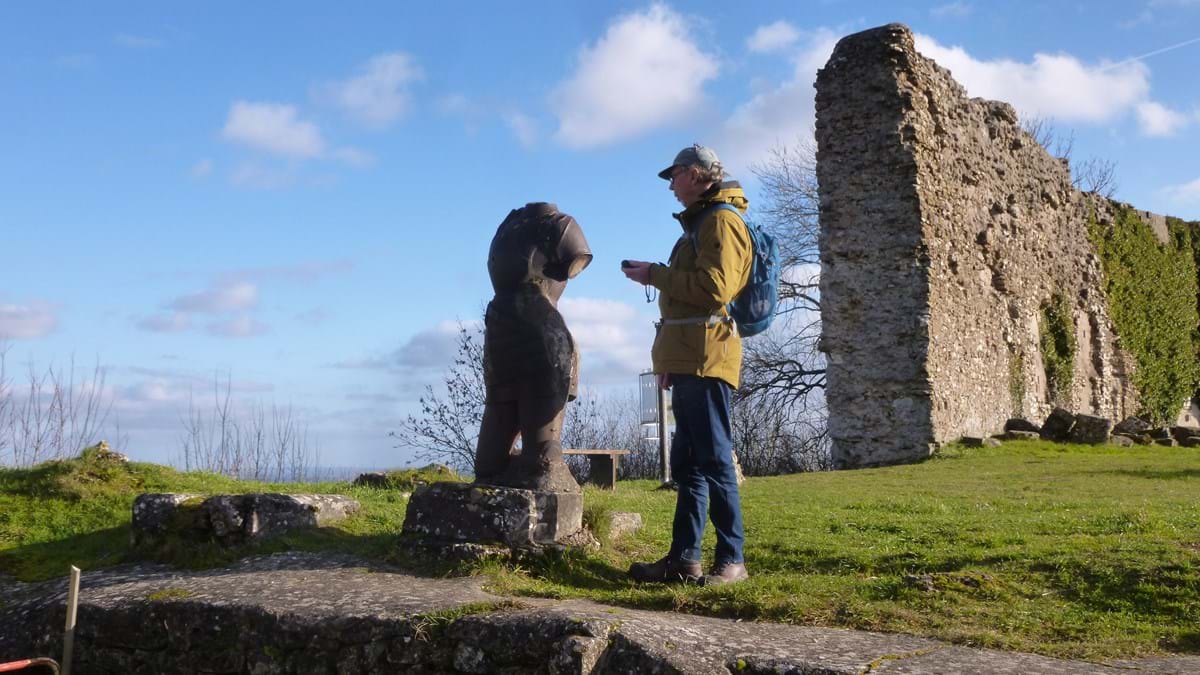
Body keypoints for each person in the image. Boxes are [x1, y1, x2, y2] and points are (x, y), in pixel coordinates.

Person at [621, 144, 752, 586]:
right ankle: (684, 560)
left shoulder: (721, 221)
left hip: (707, 359)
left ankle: (732, 560)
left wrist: (655, 275)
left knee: (714, 459)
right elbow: (689, 303)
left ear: (696, 174)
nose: (671, 185)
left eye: (674, 175)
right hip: (690, 359)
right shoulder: (700, 223)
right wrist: (670, 362)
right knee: (689, 465)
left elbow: (715, 289)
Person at [475, 202, 593, 493]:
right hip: (501, 340)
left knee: (541, 461)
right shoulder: (510, 225)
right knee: (488, 467)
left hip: (543, 346)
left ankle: (546, 506)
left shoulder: (558, 226)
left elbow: (575, 257)